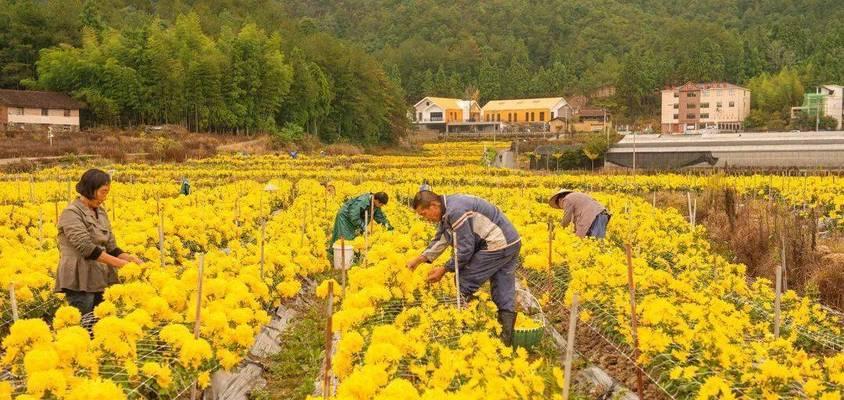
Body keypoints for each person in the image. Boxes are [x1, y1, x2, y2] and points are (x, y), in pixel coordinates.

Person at [406, 191, 521, 346]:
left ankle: (464, 329)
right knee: (503, 287)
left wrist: (445, 269)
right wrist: (419, 260)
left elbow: (465, 249)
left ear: (434, 205)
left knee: (463, 281)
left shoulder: (455, 211)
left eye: (424, 214)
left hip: (497, 243)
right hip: (510, 240)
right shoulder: (448, 211)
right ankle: (504, 341)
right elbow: (441, 239)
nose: (425, 219)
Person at [54, 169, 143, 318]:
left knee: (101, 324)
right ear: (90, 189)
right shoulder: (71, 213)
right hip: (80, 280)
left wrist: (130, 259)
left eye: (107, 192)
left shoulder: (100, 212)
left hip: (101, 277)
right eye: (103, 192)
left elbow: (111, 247)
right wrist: (122, 265)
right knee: (85, 325)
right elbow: (87, 248)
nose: (105, 197)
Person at [327, 192, 392, 259]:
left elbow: (380, 217)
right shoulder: (363, 201)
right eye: (381, 204)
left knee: (352, 239)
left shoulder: (375, 205)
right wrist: (364, 226)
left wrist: (389, 227)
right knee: (344, 239)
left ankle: (347, 257)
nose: (381, 206)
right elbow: (353, 215)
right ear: (377, 200)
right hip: (345, 217)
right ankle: (337, 257)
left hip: (353, 219)